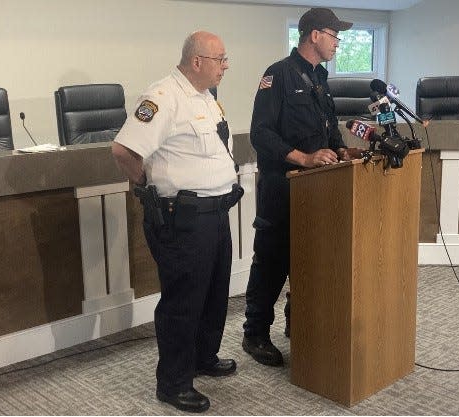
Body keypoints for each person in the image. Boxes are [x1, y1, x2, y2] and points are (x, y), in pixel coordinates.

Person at [111, 31, 243, 413]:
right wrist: (145, 185)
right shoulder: (162, 97)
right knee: (183, 301)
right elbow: (123, 149)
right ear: (197, 61)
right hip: (182, 218)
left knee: (214, 293)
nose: (226, 65)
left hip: (215, 214)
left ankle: (203, 358)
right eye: (221, 58)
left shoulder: (204, 98)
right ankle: (172, 383)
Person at [242, 8, 361, 367]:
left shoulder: (320, 78)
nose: (338, 42)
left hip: (319, 190)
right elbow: (261, 134)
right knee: (273, 262)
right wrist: (304, 158)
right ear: (313, 35)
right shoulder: (277, 75)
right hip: (282, 186)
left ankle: (300, 322)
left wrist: (340, 148)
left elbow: (327, 126)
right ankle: (255, 333)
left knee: (311, 258)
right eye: (334, 35)